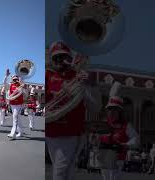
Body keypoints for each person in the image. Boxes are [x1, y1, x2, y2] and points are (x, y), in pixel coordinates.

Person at [46, 41, 101, 180]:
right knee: (66, 170)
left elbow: (95, 107)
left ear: (69, 57)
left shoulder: (79, 76)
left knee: (61, 170)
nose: (59, 60)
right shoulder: (46, 75)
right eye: (55, 57)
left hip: (71, 132)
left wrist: (92, 86)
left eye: (62, 56)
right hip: (51, 131)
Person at [99, 82, 140, 180]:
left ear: (120, 111)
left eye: (114, 109)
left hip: (118, 159)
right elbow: (97, 139)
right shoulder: (103, 124)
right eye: (110, 109)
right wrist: (94, 139)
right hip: (104, 157)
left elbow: (136, 139)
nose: (111, 112)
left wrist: (125, 145)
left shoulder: (126, 125)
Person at [3, 69, 27, 139]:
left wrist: (22, 83)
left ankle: (12, 133)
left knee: (15, 117)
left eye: (16, 79)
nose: (15, 80)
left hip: (19, 104)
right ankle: (21, 132)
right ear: (12, 80)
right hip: (13, 104)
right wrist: (6, 76)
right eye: (14, 79)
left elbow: (25, 93)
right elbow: (4, 84)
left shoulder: (21, 84)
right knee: (17, 118)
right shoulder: (11, 85)